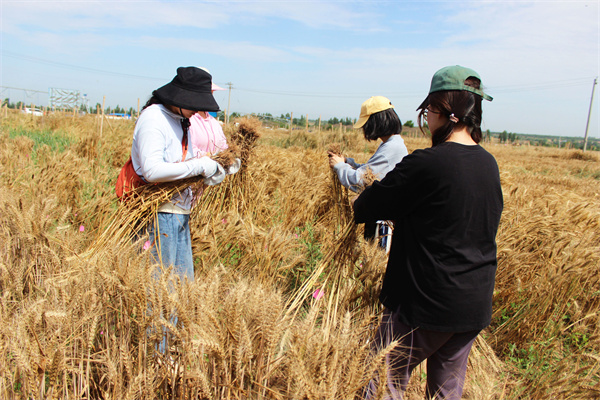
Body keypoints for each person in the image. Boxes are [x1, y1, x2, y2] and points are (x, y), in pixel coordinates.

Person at [354, 66, 503, 399]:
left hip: (425, 304)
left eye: (428, 111)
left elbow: (365, 208)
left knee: (379, 381)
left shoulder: (427, 163)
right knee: (446, 391)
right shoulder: (488, 163)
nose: (426, 119)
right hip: (472, 306)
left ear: (439, 110)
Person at [131, 66, 229, 281]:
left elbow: (184, 165)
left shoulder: (180, 120)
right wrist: (200, 166)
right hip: (158, 213)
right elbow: (153, 170)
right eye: (196, 104)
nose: (199, 110)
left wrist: (209, 174)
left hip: (180, 212)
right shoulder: (154, 119)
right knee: (160, 291)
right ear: (183, 97)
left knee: (182, 288)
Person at [328, 96, 408, 248]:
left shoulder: (391, 148)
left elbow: (360, 181)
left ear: (376, 121)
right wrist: (348, 163)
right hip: (383, 217)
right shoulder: (392, 144)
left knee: (376, 265)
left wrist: (339, 167)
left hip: (383, 224)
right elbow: (371, 172)